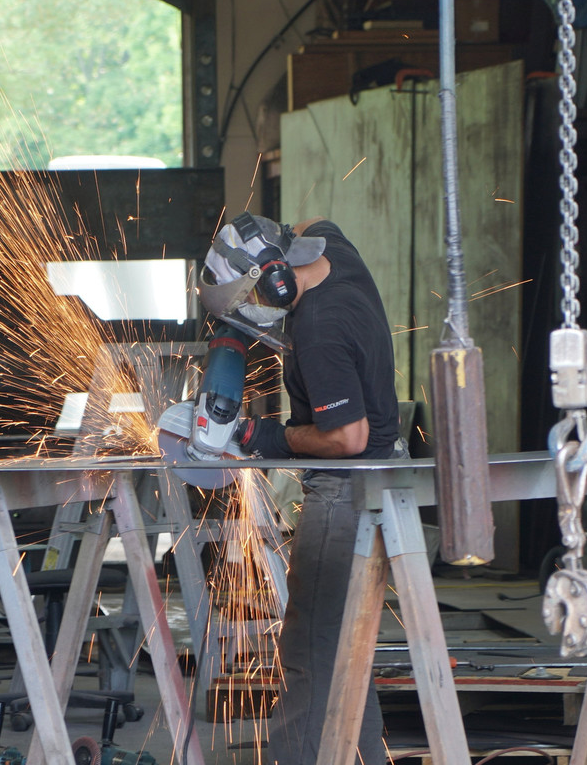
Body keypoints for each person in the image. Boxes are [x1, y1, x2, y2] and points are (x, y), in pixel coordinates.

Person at [199, 212, 404, 765]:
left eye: (252, 301)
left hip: (347, 489)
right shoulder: (332, 249)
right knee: (344, 646)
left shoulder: (319, 328)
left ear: (277, 281)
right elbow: (320, 220)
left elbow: (348, 437)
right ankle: (363, 758)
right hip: (380, 484)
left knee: (310, 652)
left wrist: (259, 433)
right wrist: (234, 322)